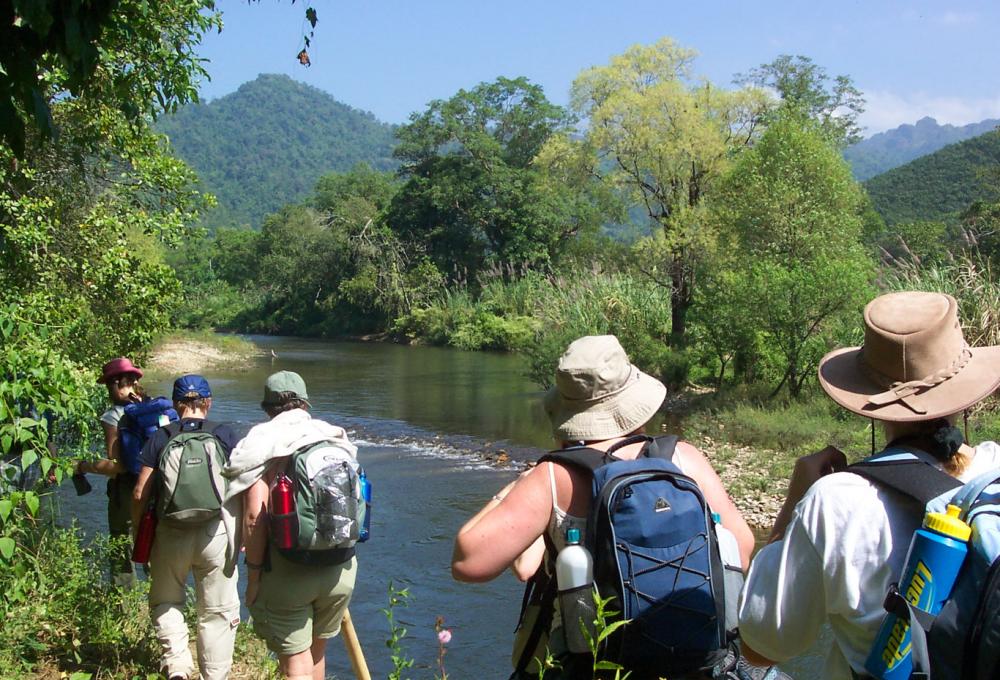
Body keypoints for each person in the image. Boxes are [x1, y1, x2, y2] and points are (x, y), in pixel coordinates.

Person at [452, 335, 755, 676]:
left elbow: (468, 562)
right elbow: (741, 552)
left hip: (593, 668)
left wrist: (513, 488)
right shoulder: (684, 459)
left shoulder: (553, 477)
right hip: (693, 664)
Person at [738, 291, 1000, 679]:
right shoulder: (994, 472)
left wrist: (795, 505)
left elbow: (761, 647)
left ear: (870, 403)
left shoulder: (836, 500)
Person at [225, 370, 359, 680]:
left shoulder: (263, 442)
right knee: (316, 654)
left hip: (289, 570)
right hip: (341, 566)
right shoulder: (333, 436)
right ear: (305, 404)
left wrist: (254, 576)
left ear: (268, 408)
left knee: (295, 664)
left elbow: (254, 517)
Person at [131, 375, 242, 680]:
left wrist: (138, 530)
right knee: (217, 611)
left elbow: (140, 492)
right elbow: (242, 487)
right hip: (215, 532)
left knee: (166, 600)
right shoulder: (224, 434)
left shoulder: (161, 436)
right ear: (208, 402)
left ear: (177, 404)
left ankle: (177, 667)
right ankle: (214, 676)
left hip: (170, 532)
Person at [76, 357, 145, 585]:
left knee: (121, 546)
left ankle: (124, 608)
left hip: (126, 489)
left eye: (108, 384)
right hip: (156, 485)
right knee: (153, 542)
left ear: (116, 384)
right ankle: (161, 605)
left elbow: (117, 465)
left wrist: (82, 466)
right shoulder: (153, 407)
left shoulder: (113, 415)